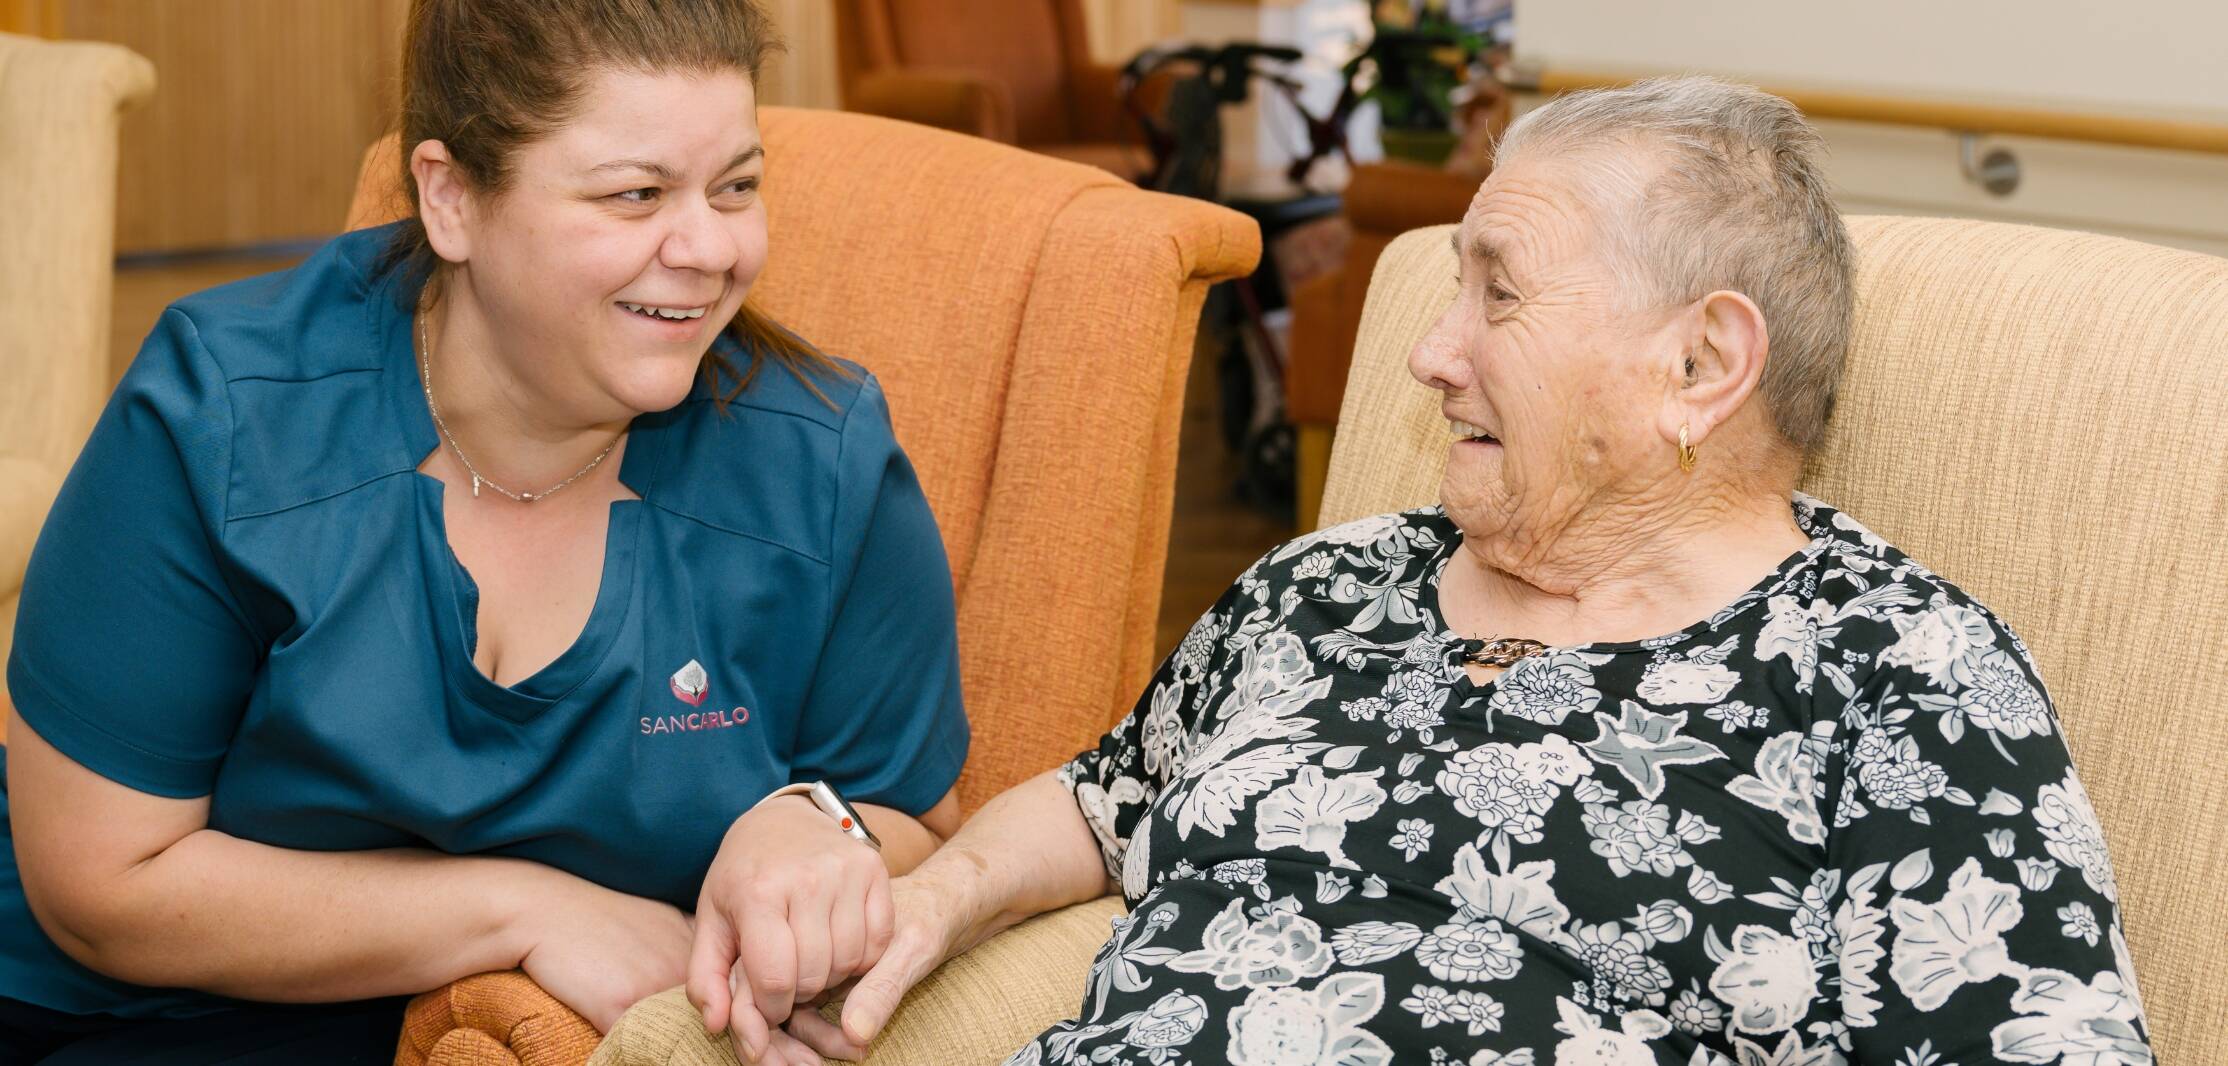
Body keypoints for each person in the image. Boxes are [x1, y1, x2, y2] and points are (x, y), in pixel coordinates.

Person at [817, 77, 2151, 1065]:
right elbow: (1109, 798)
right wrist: (935, 896)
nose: (1431, 351)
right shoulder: (1329, 585)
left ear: (1701, 366)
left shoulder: (1900, 673)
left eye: (1496, 293)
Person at [0, 2, 965, 1062]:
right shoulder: (226, 414)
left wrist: (807, 821)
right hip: (105, 1005)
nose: (709, 248)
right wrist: (524, 910)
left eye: (735, 187)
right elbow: (99, 885)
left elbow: (908, 810)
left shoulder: (819, 465)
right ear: (452, 198)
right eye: (635, 194)